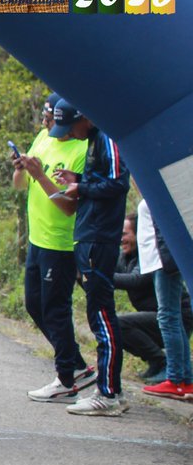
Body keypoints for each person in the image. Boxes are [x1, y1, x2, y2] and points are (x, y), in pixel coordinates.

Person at [12, 92, 96, 402]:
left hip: (61, 243)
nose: (49, 128)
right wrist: (22, 169)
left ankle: (65, 379)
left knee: (56, 310)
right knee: (35, 305)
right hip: (37, 238)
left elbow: (67, 207)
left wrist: (41, 175)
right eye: (47, 121)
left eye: (55, 124)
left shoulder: (82, 150)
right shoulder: (42, 137)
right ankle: (76, 366)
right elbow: (20, 186)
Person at [52, 98, 131, 416]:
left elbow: (117, 183)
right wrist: (78, 180)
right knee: (98, 314)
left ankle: (109, 394)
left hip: (100, 239)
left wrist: (81, 189)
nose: (70, 132)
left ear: (86, 117)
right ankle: (111, 390)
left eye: (72, 125)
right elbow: (101, 181)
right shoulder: (93, 141)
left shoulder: (108, 138)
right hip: (89, 236)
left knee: (102, 316)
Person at [138, 200, 193, 398]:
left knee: (168, 317)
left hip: (163, 260)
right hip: (158, 259)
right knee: (171, 317)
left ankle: (176, 379)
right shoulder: (149, 187)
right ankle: (185, 379)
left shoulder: (160, 188)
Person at [114, 213, 169, 384]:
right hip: (154, 318)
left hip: (175, 319)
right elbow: (103, 277)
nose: (121, 239)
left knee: (119, 323)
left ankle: (162, 362)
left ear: (140, 235)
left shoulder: (149, 257)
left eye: (125, 234)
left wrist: (100, 276)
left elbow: (135, 280)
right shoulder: (124, 257)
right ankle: (155, 362)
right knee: (109, 324)